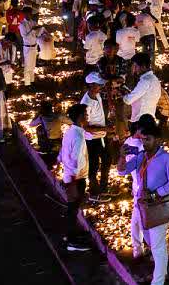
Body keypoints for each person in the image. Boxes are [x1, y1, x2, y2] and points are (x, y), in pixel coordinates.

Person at [120, 119, 169, 284]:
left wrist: (155, 194)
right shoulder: (141, 157)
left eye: (148, 139)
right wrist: (121, 157)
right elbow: (122, 171)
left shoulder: (168, 158)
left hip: (158, 207)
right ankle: (162, 271)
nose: (144, 143)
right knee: (150, 241)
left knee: (158, 246)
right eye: (142, 139)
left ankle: (159, 281)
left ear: (158, 140)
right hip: (142, 206)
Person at [59, 103, 94, 252]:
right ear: (80, 117)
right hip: (76, 178)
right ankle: (71, 242)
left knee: (72, 209)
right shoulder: (78, 136)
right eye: (85, 114)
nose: (87, 117)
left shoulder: (70, 131)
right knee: (73, 209)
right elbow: (76, 160)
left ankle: (69, 236)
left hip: (70, 176)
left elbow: (62, 154)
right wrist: (73, 181)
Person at [80, 72, 112, 200]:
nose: (101, 87)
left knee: (107, 160)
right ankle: (94, 192)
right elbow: (85, 127)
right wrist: (105, 128)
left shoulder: (96, 95)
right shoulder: (86, 103)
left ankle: (104, 187)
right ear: (92, 85)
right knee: (93, 165)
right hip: (92, 139)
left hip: (101, 137)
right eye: (99, 85)